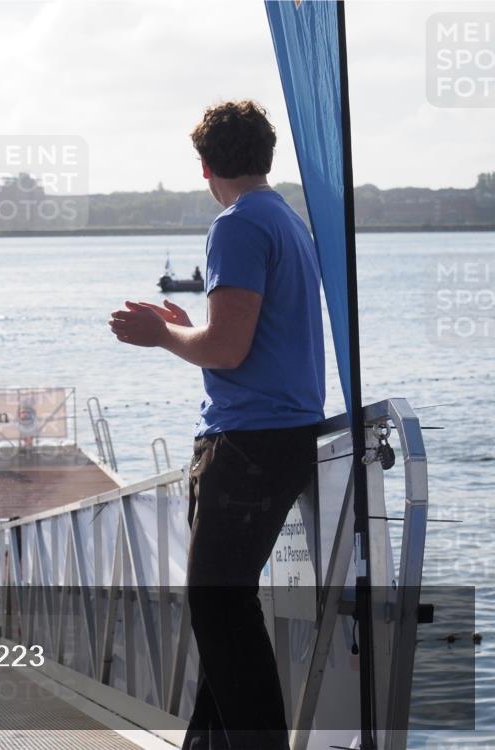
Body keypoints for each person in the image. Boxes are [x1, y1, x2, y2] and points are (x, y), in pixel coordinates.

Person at [110, 100, 325, 750]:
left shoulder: (237, 225)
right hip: (281, 436)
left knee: (218, 604)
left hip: (248, 443)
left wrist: (161, 335)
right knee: (222, 613)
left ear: (205, 166)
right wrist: (186, 329)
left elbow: (227, 349)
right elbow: (248, 338)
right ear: (267, 154)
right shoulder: (287, 221)